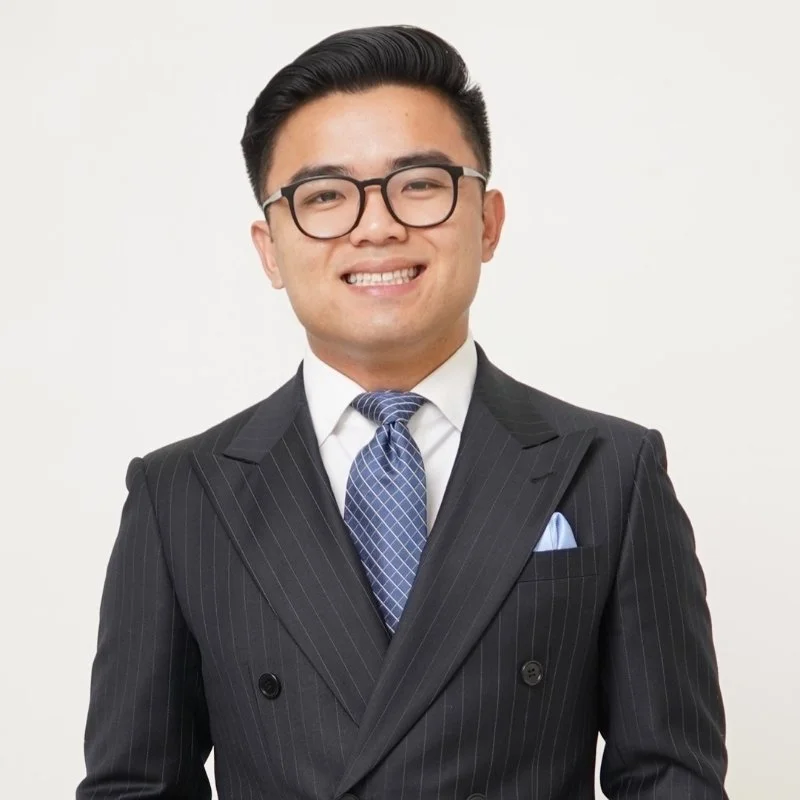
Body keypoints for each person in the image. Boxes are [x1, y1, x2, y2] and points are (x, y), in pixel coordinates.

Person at [76, 24, 728, 800]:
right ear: (270, 249)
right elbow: (135, 788)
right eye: (323, 196)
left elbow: (671, 780)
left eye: (419, 183)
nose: (377, 225)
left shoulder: (611, 470)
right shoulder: (179, 494)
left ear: (485, 220)